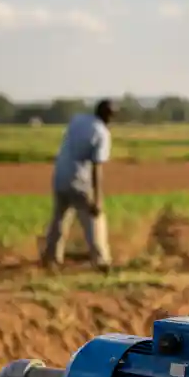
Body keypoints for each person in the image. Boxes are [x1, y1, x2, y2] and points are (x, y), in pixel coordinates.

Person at [42, 99, 114, 271]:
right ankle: (101, 260)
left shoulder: (78, 120)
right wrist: (97, 199)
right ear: (109, 117)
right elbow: (97, 167)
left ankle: (51, 258)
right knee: (94, 218)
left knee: (60, 218)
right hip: (79, 180)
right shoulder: (102, 133)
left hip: (60, 175)